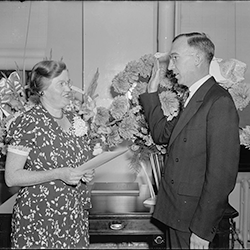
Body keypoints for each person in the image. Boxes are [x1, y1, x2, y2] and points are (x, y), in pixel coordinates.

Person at [139, 32, 240, 249]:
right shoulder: (193, 98)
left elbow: (221, 176)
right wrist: (151, 92)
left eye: (175, 58)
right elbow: (161, 134)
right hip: (178, 215)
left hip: (195, 222)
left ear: (197, 58)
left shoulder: (218, 101)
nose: (171, 67)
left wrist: (202, 231)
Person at [4, 60, 95, 249]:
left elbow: (78, 168)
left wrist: (87, 173)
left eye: (68, 82)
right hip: (38, 220)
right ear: (42, 90)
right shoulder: (28, 122)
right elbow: (11, 177)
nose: (68, 88)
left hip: (73, 218)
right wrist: (58, 173)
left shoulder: (75, 120)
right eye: (61, 83)